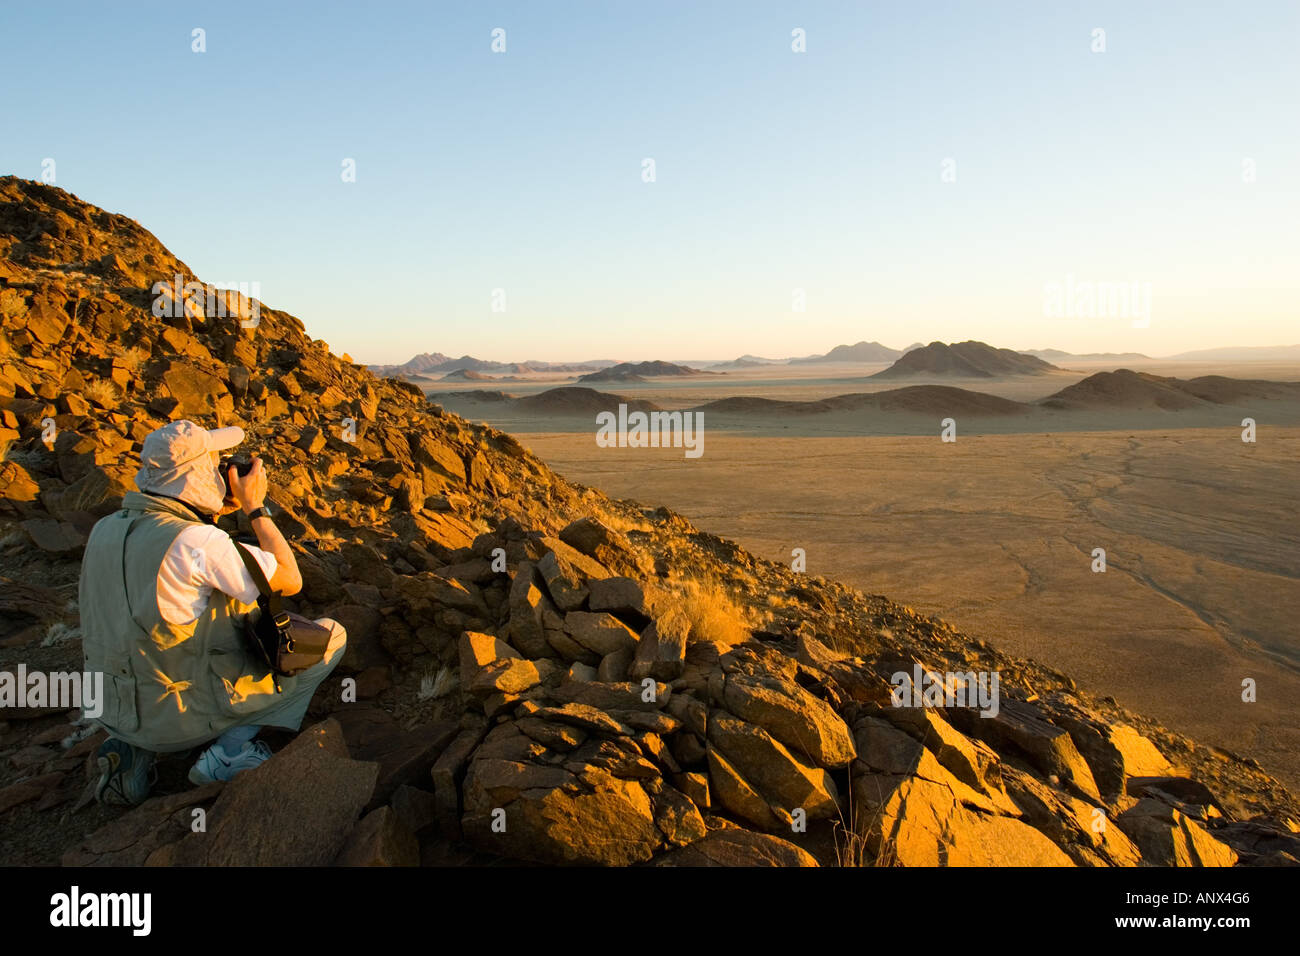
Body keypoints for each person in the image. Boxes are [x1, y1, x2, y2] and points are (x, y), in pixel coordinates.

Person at [78, 420, 347, 805]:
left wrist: (209, 511)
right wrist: (256, 506)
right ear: (196, 473)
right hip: (179, 714)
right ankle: (229, 753)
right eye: (216, 462)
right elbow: (290, 578)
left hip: (111, 707)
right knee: (331, 635)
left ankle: (134, 747)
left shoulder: (106, 528)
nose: (223, 470)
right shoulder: (197, 541)